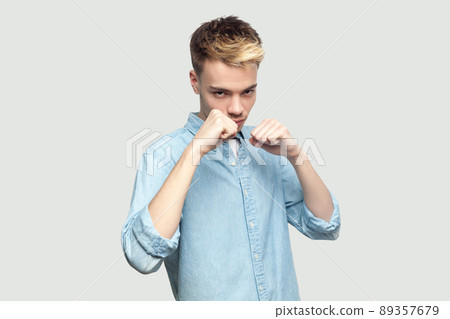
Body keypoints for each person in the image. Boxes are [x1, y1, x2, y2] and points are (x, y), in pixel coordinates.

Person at [121, 15, 341, 301]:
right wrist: (195, 150)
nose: (237, 108)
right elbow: (141, 256)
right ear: (194, 81)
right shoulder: (164, 155)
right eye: (220, 92)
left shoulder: (267, 149)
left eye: (248, 91)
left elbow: (326, 225)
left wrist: (297, 155)